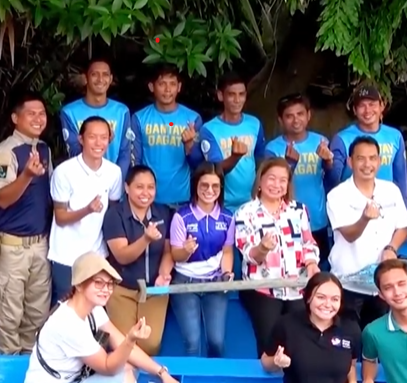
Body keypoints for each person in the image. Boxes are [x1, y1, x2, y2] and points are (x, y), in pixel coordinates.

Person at [21, 251, 183, 383]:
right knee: (124, 380)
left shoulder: (93, 309)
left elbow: (119, 342)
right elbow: (109, 366)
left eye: (109, 284)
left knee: (130, 366)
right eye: (98, 283)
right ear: (80, 285)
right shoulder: (68, 323)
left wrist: (162, 373)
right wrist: (131, 340)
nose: (106, 289)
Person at [262, 272, 370, 383]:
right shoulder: (288, 324)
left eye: (335, 299)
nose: (328, 304)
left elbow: (350, 364)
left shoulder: (350, 329)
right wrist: (277, 362)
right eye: (321, 297)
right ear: (308, 297)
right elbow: (266, 361)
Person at [235, 158, 321, 357]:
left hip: (297, 287)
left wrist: (311, 263)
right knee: (269, 346)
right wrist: (263, 248)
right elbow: (249, 255)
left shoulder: (298, 210)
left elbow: (309, 242)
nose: (277, 184)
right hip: (262, 288)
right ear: (260, 180)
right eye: (271, 178)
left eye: (283, 180)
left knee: (301, 343)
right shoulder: (245, 213)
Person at [0, 91, 53, 355]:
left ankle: (30, 371)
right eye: (31, 113)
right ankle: (9, 369)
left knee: (37, 316)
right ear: (16, 118)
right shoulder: (6, 152)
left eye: (42, 113)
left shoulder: (44, 148)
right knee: (9, 315)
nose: (38, 119)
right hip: (12, 248)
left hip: (40, 245)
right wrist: (26, 174)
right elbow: (1, 198)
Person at [326, 136, 407, 329]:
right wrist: (364, 218)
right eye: (361, 158)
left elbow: (403, 228)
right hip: (348, 283)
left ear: (380, 161)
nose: (367, 164)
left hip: (383, 284)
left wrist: (391, 247)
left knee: (379, 341)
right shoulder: (337, 195)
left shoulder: (391, 190)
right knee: (350, 341)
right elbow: (349, 235)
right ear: (350, 161)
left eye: (372, 158)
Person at [197, 73, 267, 276]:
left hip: (251, 202)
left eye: (241, 94)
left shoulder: (255, 124)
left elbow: (260, 158)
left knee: (253, 254)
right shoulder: (209, 129)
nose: (237, 100)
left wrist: (258, 188)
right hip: (223, 204)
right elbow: (216, 170)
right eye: (231, 95)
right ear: (221, 96)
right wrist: (235, 156)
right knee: (228, 258)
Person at [48, 116, 124, 301]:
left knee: (95, 308)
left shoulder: (114, 172)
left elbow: (113, 212)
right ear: (81, 139)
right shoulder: (64, 172)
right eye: (92, 137)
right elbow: (60, 217)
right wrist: (87, 210)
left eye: (104, 137)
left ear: (110, 139)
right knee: (67, 307)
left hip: (97, 254)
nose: (99, 143)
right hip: (66, 256)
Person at [102, 165, 174, 356]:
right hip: (122, 289)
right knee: (123, 345)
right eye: (139, 187)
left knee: (150, 345)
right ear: (127, 188)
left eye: (151, 187)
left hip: (154, 290)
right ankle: (125, 382)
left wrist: (164, 273)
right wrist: (146, 239)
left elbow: (168, 251)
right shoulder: (114, 214)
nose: (146, 193)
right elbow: (122, 256)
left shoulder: (164, 213)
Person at [168, 163, 235, 357]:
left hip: (215, 283)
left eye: (215, 186)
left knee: (216, 341)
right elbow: (175, 255)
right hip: (184, 282)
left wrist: (227, 273)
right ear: (195, 185)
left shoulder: (227, 217)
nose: (209, 190)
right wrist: (186, 251)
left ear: (221, 188)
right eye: (204, 185)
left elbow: (227, 251)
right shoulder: (182, 216)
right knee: (192, 342)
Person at [264, 94, 333, 264]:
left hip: (317, 219)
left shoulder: (321, 142)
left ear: (309, 115)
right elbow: (269, 185)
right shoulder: (272, 148)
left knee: (319, 267)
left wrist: (328, 161)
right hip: (285, 221)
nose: (296, 120)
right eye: (289, 116)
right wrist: (290, 164)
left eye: (300, 114)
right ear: (280, 120)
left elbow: (331, 178)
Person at [129, 64, 203, 209]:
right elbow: (135, 162)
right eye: (162, 84)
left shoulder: (193, 119)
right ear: (152, 87)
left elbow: (199, 165)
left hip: (182, 199)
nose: (168, 90)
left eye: (172, 84)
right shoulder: (139, 118)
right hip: (149, 199)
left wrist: (189, 146)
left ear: (179, 87)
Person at [327, 83, 407, 208]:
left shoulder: (395, 136)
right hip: (353, 207)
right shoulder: (342, 138)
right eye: (362, 106)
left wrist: (404, 212)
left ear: (382, 106)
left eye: (372, 105)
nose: (367, 111)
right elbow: (333, 181)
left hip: (386, 207)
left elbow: (400, 178)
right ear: (354, 110)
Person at [59, 58, 132, 176]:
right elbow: (74, 151)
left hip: (114, 185)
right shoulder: (69, 112)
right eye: (94, 74)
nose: (100, 79)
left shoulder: (122, 111)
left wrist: (116, 182)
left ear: (111, 79)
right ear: (85, 78)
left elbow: (125, 152)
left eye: (105, 75)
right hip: (82, 181)